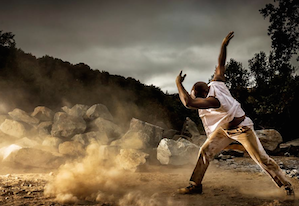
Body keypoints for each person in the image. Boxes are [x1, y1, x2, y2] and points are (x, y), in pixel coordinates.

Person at [175, 31, 294, 196]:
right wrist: (223, 46)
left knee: (262, 159)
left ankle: (286, 185)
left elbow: (188, 103)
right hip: (224, 130)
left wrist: (178, 84)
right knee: (204, 151)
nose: (199, 104)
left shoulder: (214, 100)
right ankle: (195, 184)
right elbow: (220, 64)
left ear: (203, 95)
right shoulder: (216, 82)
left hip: (242, 129)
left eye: (198, 99)